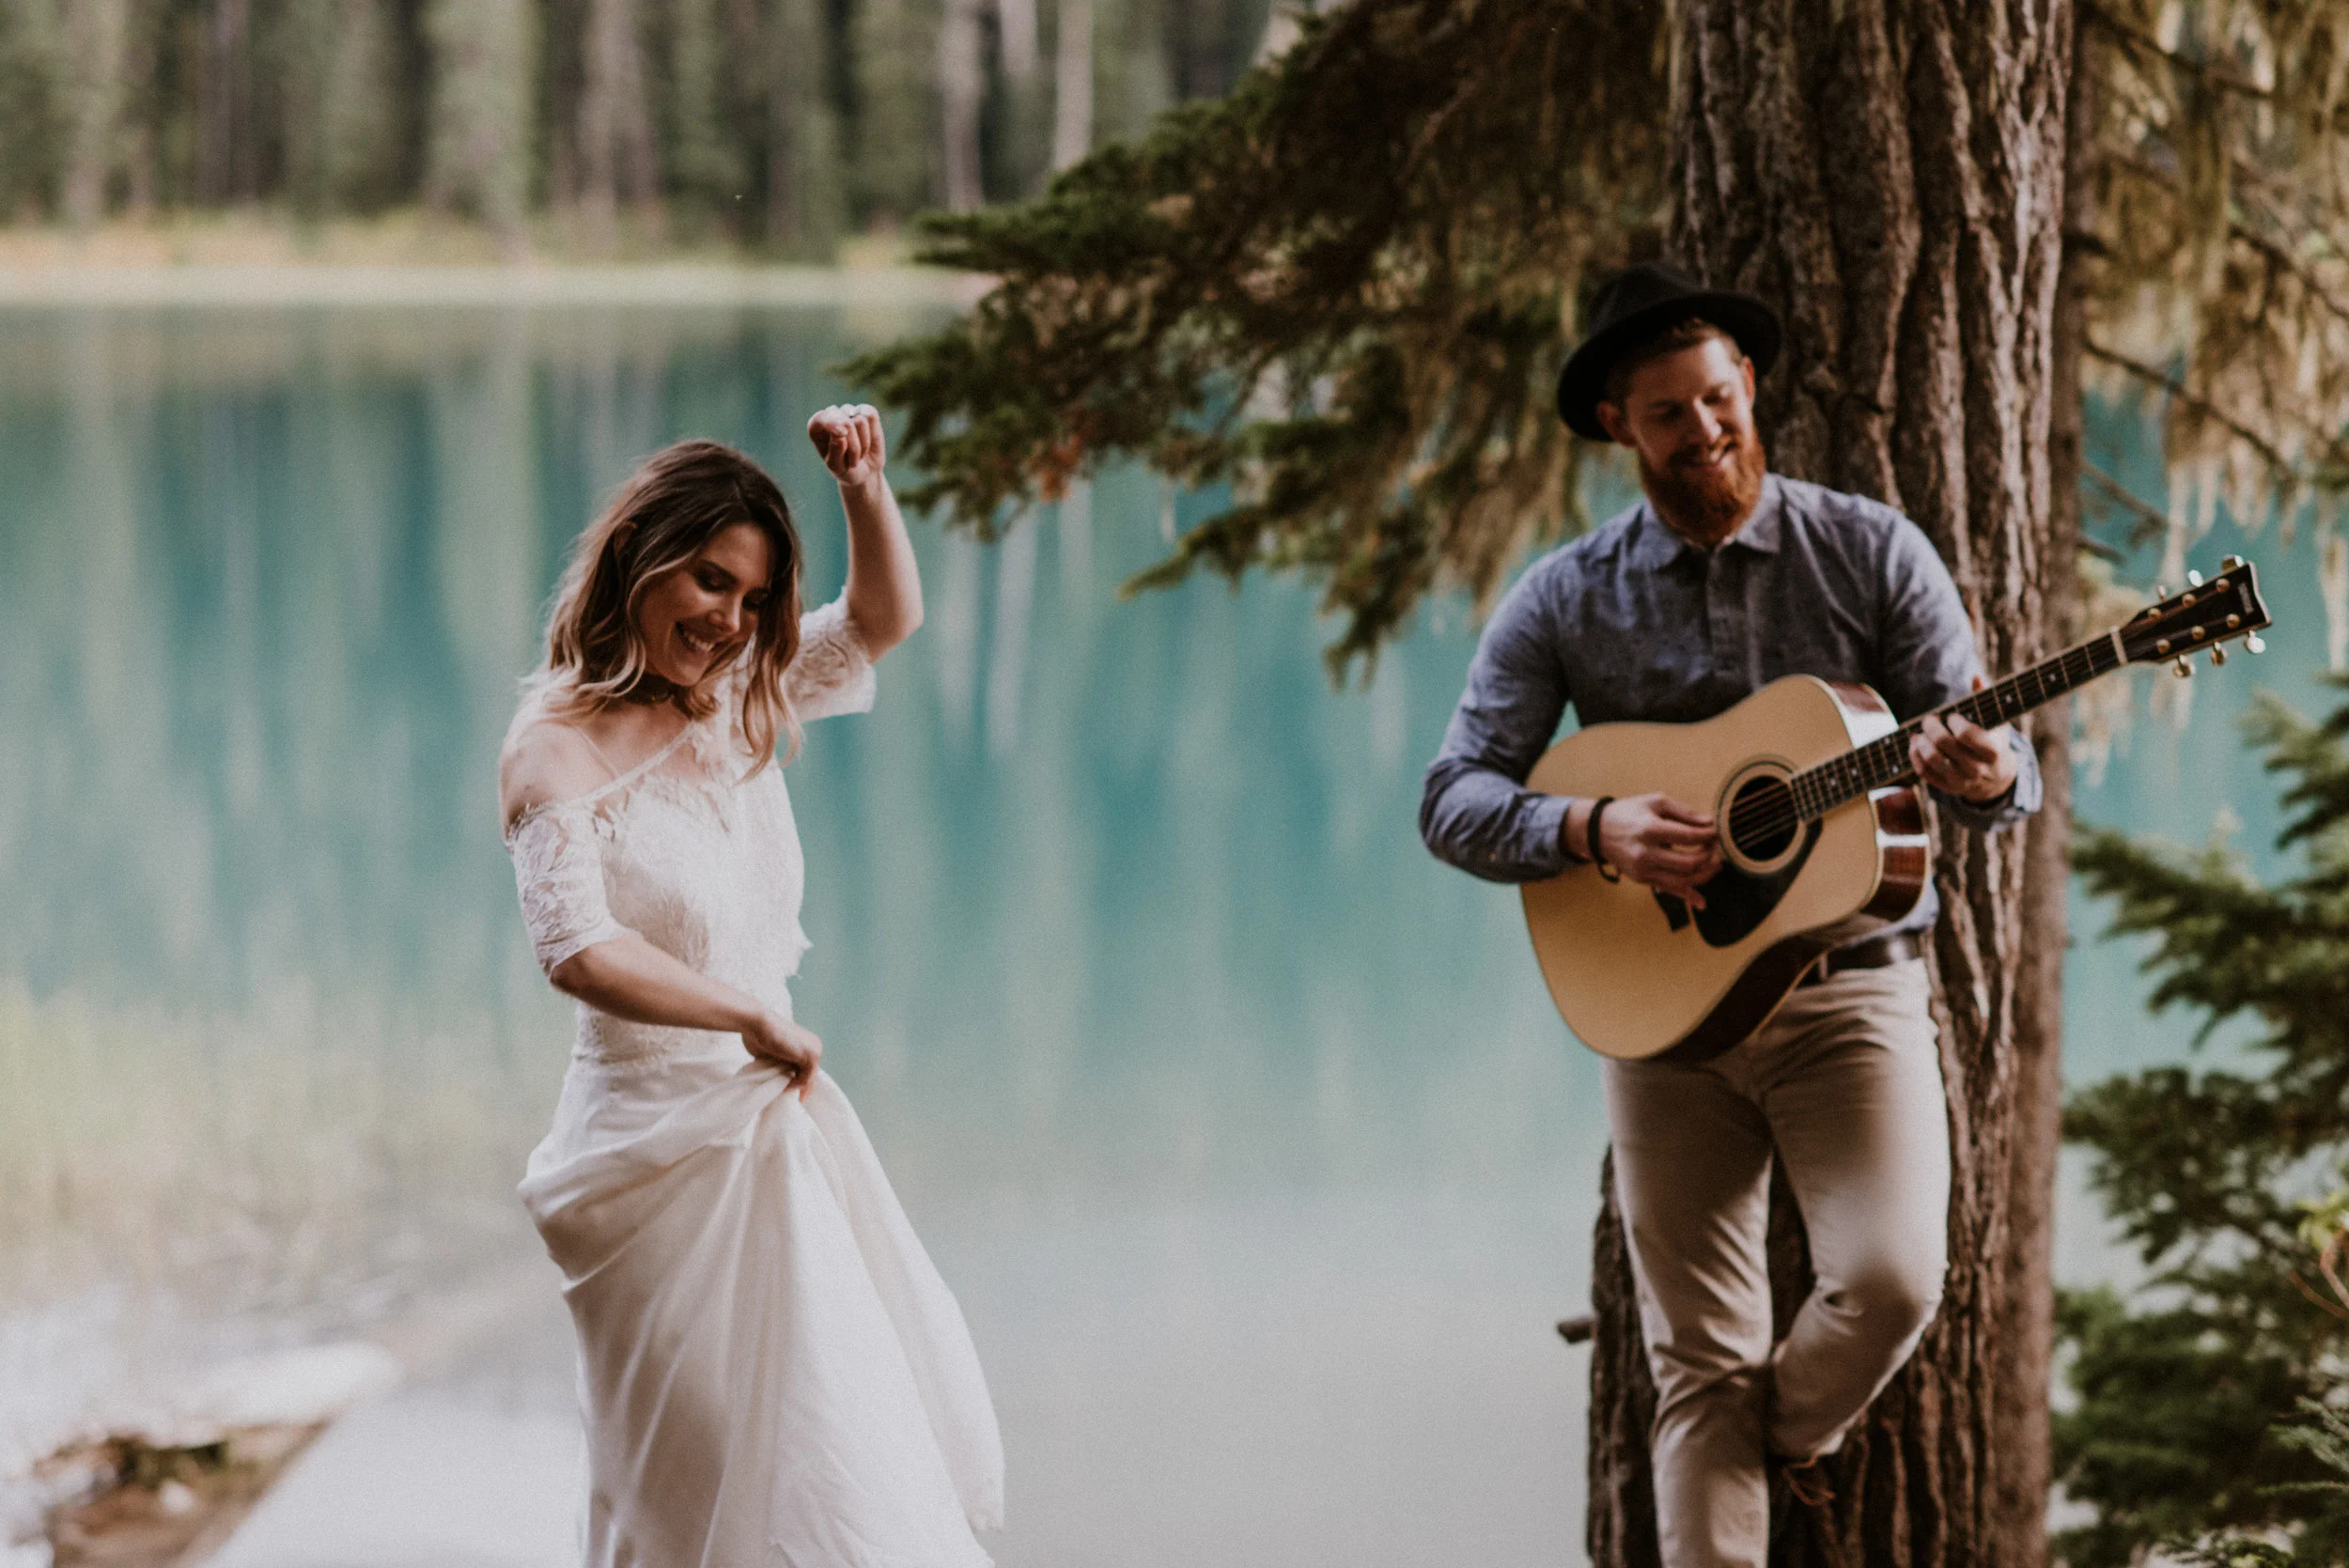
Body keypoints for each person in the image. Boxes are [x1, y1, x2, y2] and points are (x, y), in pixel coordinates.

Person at [1419, 264, 2040, 1567]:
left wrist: (1989, 773)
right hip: (1664, 1030)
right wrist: (1593, 828)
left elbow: (1996, 770)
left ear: (1749, 384)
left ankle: (1782, 1434)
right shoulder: (1565, 596)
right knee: (1696, 1361)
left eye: (1718, 398)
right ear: (1618, 426)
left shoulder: (1870, 550)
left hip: (1851, 996)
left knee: (1890, 1283)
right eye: (1668, 415)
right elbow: (1452, 799)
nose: (1704, 431)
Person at [497, 414, 1003, 1566]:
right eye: (710, 580)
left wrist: (864, 485)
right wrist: (747, 1015)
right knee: (686, 1480)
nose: (729, 620)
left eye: (755, 599)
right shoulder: (551, 748)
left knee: (834, 1449)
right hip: (648, 1161)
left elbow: (882, 621)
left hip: (768, 1136)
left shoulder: (729, 696)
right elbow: (576, 948)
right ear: (640, 555)